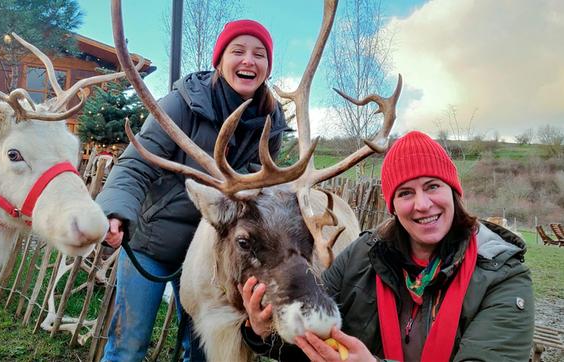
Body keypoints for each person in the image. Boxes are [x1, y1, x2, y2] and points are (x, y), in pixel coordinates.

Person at [240, 131, 535, 361]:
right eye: (405, 192)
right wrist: (266, 334)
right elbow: (314, 346)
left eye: (433, 186)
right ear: (392, 205)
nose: (422, 204)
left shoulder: (502, 276)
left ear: (454, 192)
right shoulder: (361, 256)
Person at [96, 19, 288, 362]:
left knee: (201, 351)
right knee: (128, 345)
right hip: (152, 243)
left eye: (259, 54)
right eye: (238, 51)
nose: (249, 61)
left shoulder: (271, 121)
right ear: (220, 60)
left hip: (212, 257)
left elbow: (265, 196)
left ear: (267, 67)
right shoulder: (182, 104)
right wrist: (115, 211)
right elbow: (137, 162)